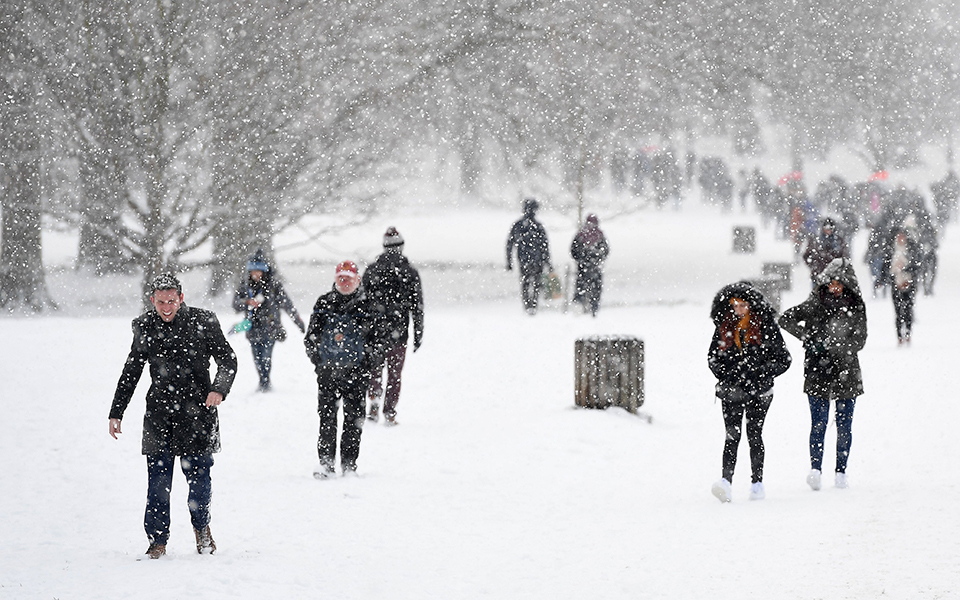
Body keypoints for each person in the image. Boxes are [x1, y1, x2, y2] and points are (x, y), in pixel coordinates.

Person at [109, 273, 237, 559]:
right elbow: (132, 371)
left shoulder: (203, 321)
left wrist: (219, 389)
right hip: (159, 416)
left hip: (198, 415)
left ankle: (202, 530)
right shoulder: (145, 326)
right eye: (160, 302)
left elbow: (228, 359)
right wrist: (117, 411)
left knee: (199, 481)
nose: (166, 307)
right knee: (157, 485)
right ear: (152, 300)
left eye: (171, 301)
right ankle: (157, 541)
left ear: (181, 298)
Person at [779, 258, 867, 491]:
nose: (834, 287)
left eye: (839, 283)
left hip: (847, 371)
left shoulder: (856, 306)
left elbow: (860, 340)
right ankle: (815, 469)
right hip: (818, 370)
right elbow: (785, 319)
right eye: (831, 283)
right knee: (818, 423)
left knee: (844, 424)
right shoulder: (814, 303)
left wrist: (835, 345)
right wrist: (809, 339)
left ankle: (841, 472)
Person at [708, 282, 791, 503]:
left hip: (760, 391)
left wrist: (761, 374)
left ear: (751, 306)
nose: (738, 310)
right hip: (732, 390)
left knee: (754, 434)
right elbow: (713, 358)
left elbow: (784, 359)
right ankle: (726, 481)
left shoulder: (766, 327)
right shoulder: (724, 326)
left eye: (742, 305)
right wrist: (727, 374)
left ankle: (757, 482)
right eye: (734, 305)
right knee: (731, 436)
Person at [304, 261, 384, 478]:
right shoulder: (324, 303)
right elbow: (311, 337)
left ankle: (349, 465)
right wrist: (320, 363)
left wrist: (366, 362)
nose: (344, 281)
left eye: (349, 277)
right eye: (341, 277)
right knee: (327, 419)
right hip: (328, 374)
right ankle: (326, 464)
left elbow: (379, 341)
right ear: (335, 278)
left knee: (354, 420)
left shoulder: (369, 305)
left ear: (357, 279)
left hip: (357, 375)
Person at [362, 227, 424, 425]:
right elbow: (417, 305)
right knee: (395, 375)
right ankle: (390, 411)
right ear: (402, 246)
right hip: (399, 331)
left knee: (375, 372)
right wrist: (418, 332)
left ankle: (373, 405)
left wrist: (362, 327)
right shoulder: (410, 271)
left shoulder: (372, 270)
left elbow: (361, 301)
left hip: (375, 331)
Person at [232, 249, 305, 392]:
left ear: (265, 271)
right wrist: (247, 302)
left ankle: (265, 381)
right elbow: (235, 304)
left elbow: (287, 305)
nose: (256, 274)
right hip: (252, 327)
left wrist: (298, 322)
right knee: (256, 356)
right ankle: (262, 379)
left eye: (258, 271)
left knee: (266, 355)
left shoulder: (274, 286)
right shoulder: (245, 286)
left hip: (270, 327)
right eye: (253, 271)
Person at [506, 197, 552, 315]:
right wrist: (547, 261)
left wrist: (509, 260)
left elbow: (510, 244)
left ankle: (528, 304)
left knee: (526, 282)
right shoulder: (538, 226)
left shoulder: (519, 225)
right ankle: (532, 304)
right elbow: (544, 246)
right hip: (536, 259)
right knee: (535, 282)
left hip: (524, 258)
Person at [883, 227, 921, 345]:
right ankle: (899, 335)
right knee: (898, 311)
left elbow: (916, 266)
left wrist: (905, 270)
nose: (900, 238)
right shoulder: (891, 250)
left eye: (902, 236)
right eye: (898, 236)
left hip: (909, 283)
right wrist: (891, 277)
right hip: (896, 283)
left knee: (908, 309)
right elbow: (885, 267)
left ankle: (908, 333)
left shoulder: (911, 249)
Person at [570, 214, 610, 316]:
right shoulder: (599, 235)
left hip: (582, 267)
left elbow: (573, 250)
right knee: (596, 288)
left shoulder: (581, 234)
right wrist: (597, 259)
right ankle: (594, 307)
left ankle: (579, 306)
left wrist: (580, 259)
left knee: (580, 287)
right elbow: (605, 250)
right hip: (595, 268)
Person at [802, 217, 849, 286]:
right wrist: (814, 266)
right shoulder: (815, 241)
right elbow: (806, 255)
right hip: (818, 275)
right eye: (826, 229)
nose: (828, 231)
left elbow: (845, 257)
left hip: (834, 277)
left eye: (830, 229)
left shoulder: (839, 241)